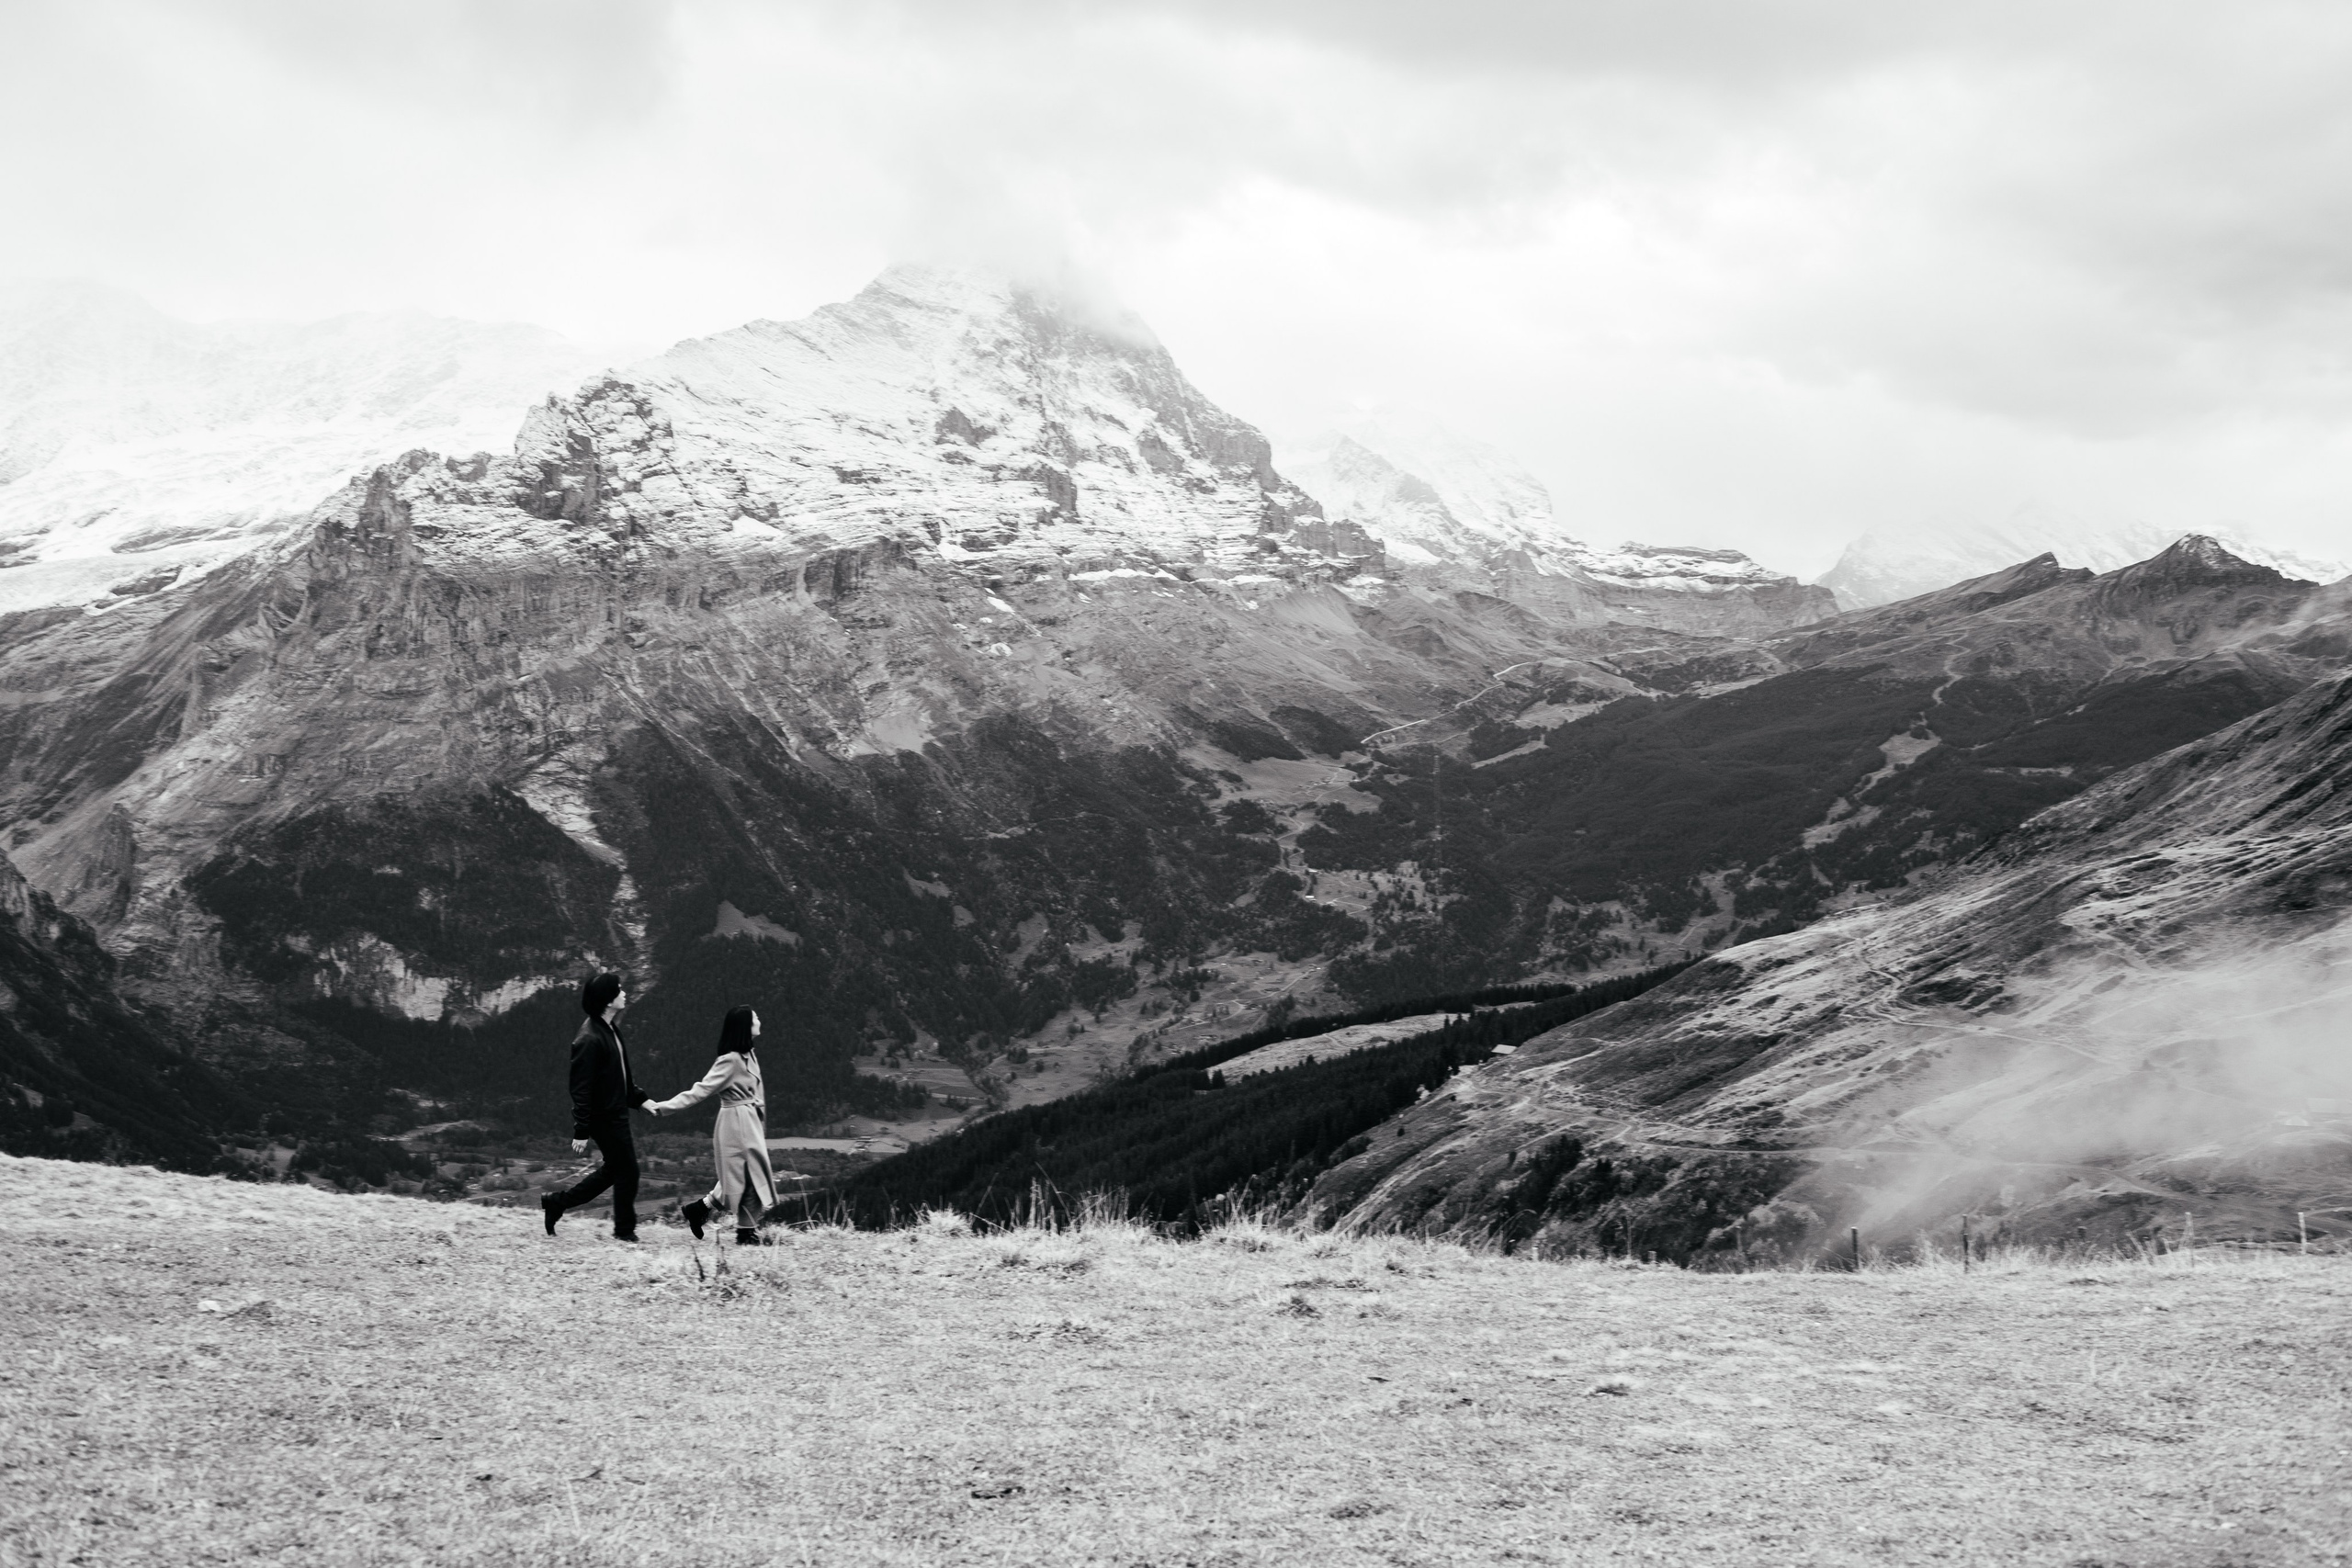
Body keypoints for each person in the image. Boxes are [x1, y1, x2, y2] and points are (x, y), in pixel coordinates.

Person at [649, 1005, 779, 1246]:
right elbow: (700, 1090)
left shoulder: (748, 1054)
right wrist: (664, 1107)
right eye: (755, 1017)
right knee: (747, 1178)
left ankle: (702, 1211)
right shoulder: (730, 1060)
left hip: (749, 1123)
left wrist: (761, 1125)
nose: (759, 1019)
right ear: (745, 1026)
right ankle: (744, 1233)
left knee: (744, 1177)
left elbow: (758, 1095)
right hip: (736, 1125)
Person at [541, 973, 652, 1241]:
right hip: (605, 1118)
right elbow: (581, 1089)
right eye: (619, 990)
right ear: (608, 1000)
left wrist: (640, 1099)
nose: (624, 993)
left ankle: (557, 1203)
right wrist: (581, 1130)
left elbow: (619, 1074)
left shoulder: (608, 1028)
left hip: (615, 1113)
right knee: (628, 1172)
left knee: (615, 1170)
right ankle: (624, 1232)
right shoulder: (589, 1039)